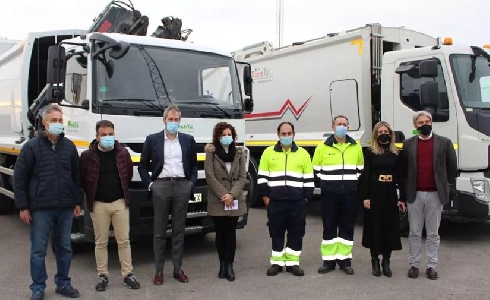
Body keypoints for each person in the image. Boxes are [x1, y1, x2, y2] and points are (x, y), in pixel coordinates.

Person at [13, 104, 81, 300]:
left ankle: (63, 283)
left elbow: (76, 177)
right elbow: (20, 178)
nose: (58, 124)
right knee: (38, 251)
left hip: (65, 207)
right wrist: (23, 206)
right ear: (44, 123)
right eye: (54, 120)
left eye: (60, 120)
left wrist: (76, 201)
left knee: (65, 248)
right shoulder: (31, 147)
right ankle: (37, 287)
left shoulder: (69, 147)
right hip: (41, 208)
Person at [138, 104, 198, 285]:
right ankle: (159, 271)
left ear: (180, 121)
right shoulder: (153, 140)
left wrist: (191, 184)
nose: (173, 123)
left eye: (176, 120)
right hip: (161, 186)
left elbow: (194, 165)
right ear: (164, 120)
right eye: (170, 119)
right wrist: (150, 185)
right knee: (159, 232)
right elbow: (141, 166)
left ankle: (177, 269)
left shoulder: (188, 140)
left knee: (179, 230)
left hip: (182, 186)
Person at [80, 120, 140, 291]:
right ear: (97, 136)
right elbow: (84, 180)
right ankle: (102, 276)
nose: (108, 138)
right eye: (104, 135)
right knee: (101, 242)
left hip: (120, 203)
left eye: (110, 134)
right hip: (99, 205)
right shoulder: (87, 156)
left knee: (124, 241)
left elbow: (127, 175)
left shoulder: (123, 154)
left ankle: (128, 275)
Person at [401, 111, 457, 280]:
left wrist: (445, 187)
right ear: (415, 125)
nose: (424, 124)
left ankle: (431, 266)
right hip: (414, 194)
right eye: (420, 122)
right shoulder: (408, 144)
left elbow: (451, 168)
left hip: (435, 195)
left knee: (433, 233)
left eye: (427, 121)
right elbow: (404, 171)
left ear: (432, 122)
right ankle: (414, 265)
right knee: (414, 232)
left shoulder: (444, 143)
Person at [257, 122, 315, 277]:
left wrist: (305, 199)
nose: (287, 136)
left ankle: (292, 263)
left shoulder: (303, 154)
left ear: (294, 134)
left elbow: (309, 179)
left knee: (296, 233)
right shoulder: (268, 153)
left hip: (297, 202)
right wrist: (265, 198)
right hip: (275, 202)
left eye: (289, 133)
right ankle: (276, 263)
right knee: (276, 232)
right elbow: (262, 177)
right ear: (278, 135)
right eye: (284, 134)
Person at [313, 115, 364, 275]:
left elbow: (360, 168)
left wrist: (350, 182)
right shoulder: (322, 147)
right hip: (330, 194)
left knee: (347, 227)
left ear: (348, 126)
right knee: (329, 226)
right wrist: (328, 183)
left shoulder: (355, 146)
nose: (342, 126)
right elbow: (316, 168)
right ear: (333, 126)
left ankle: (345, 261)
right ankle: (328, 262)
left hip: (349, 193)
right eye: (339, 124)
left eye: (344, 124)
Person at [358, 121, 406, 278]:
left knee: (389, 227)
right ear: (376, 135)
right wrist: (365, 196)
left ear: (390, 133)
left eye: (386, 131)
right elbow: (366, 176)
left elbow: (401, 176)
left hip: (390, 194)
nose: (383, 134)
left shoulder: (397, 153)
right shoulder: (370, 152)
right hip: (374, 193)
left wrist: (402, 198)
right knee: (375, 227)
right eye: (380, 132)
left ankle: (386, 261)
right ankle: (374, 260)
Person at [204, 122, 247, 282]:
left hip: (234, 200)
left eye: (229, 134)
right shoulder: (211, 152)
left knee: (231, 233)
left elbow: (242, 176)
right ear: (218, 137)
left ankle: (230, 265)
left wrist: (232, 194)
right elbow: (210, 176)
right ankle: (222, 264)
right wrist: (225, 194)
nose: (227, 137)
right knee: (220, 234)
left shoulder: (239, 153)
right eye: (223, 135)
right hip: (218, 199)